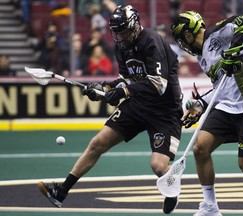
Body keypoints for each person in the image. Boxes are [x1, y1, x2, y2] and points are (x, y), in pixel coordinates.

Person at [37, 5, 183, 214]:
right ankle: (61, 192)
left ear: (135, 26)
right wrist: (104, 87)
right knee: (97, 143)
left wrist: (123, 92)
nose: (120, 36)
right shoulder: (122, 46)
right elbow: (128, 79)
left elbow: (159, 84)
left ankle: (172, 190)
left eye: (123, 31)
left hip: (165, 110)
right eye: (117, 32)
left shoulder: (151, 40)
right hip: (139, 104)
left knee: (159, 166)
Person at [171, 11, 243, 215]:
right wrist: (200, 105)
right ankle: (210, 207)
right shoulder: (203, 58)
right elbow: (221, 86)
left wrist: (237, 49)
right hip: (227, 107)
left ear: (187, 35)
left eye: (181, 39)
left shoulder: (220, 32)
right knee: (200, 148)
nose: (182, 44)